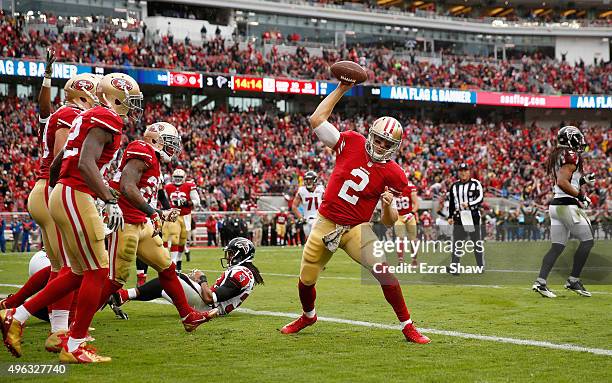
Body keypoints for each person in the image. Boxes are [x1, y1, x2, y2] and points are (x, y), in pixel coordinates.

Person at [1, 73, 141, 363]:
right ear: (115, 96)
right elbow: (85, 163)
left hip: (63, 192)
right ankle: (75, 345)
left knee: (76, 272)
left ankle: (18, 314)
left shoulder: (87, 116)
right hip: (76, 193)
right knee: (98, 271)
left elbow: (58, 162)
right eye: (130, 100)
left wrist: (57, 193)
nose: (133, 107)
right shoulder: (107, 118)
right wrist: (108, 198)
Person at [280, 82, 429, 344]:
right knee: (306, 279)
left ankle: (407, 326)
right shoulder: (351, 141)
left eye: (387, 143)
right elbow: (316, 119)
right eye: (379, 138)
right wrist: (341, 88)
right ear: (371, 134)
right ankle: (308, 315)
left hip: (357, 228)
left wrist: (387, 205)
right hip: (326, 222)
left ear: (395, 146)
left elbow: (388, 222)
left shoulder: (395, 174)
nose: (381, 145)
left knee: (384, 272)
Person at [99, 121, 214, 328]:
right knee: (117, 279)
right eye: (170, 142)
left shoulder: (156, 162)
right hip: (125, 221)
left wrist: (160, 211)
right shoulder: (141, 149)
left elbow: (142, 196)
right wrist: (153, 213)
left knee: (167, 268)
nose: (173, 147)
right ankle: (74, 321)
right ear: (156, 140)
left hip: (141, 222)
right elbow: (127, 186)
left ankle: (188, 316)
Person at [108, 237, 263, 320]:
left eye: (231, 253)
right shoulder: (242, 271)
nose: (228, 257)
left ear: (240, 254)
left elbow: (211, 298)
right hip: (209, 305)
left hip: (208, 308)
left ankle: (122, 296)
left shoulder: (242, 274)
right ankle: (123, 296)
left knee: (170, 277)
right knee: (164, 285)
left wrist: (201, 279)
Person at [533, 126, 596, 298]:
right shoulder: (570, 154)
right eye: (578, 138)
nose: (581, 142)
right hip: (567, 206)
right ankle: (573, 280)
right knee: (588, 240)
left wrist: (583, 180)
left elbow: (568, 179)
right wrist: (581, 195)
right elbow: (562, 182)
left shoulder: (558, 154)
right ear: (570, 139)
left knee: (557, 246)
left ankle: (540, 282)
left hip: (556, 205)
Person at [447, 163, 485, 274]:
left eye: (465, 170)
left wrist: (469, 204)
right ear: (458, 172)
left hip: (472, 216)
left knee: (476, 242)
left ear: (469, 172)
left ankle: (480, 266)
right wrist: (450, 216)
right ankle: (454, 267)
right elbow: (451, 203)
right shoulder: (454, 186)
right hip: (459, 217)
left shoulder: (475, 183)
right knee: (457, 242)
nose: (463, 173)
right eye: (461, 170)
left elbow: (480, 198)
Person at [165, 169, 200, 272]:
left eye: (180, 178)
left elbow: (197, 201)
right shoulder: (168, 187)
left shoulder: (189, 186)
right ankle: (173, 262)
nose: (178, 180)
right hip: (174, 214)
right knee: (174, 237)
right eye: (176, 177)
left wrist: (185, 203)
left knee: (182, 240)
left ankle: (179, 260)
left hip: (185, 216)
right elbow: (164, 200)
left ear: (184, 178)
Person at [292, 171, 325, 238]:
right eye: (306, 180)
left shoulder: (321, 189)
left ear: (315, 180)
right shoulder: (302, 190)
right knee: (309, 241)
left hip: (318, 219)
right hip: (306, 220)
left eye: (310, 180)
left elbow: (328, 203)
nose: (308, 182)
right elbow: (294, 206)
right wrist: (300, 218)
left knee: (315, 239)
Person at [394, 178, 419, 264]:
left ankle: (414, 259)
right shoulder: (392, 188)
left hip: (409, 216)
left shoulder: (410, 187)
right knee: (400, 238)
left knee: (413, 239)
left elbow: (416, 203)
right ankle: (400, 260)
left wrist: (412, 213)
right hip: (398, 217)